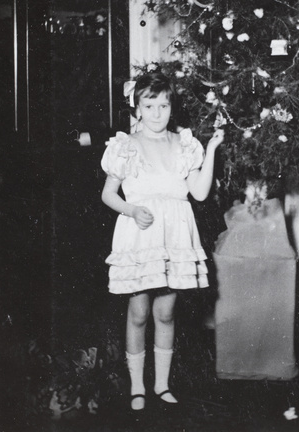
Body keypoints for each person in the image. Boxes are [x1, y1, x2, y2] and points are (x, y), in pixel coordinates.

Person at [101, 71, 224, 413]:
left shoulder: (184, 144)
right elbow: (108, 194)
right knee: (139, 312)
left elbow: (198, 192)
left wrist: (212, 148)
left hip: (174, 238)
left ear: (172, 107)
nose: (157, 113)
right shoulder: (126, 145)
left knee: (166, 311)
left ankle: (161, 384)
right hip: (141, 235)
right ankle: (137, 386)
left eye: (163, 105)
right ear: (137, 108)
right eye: (149, 105)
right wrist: (131, 209)